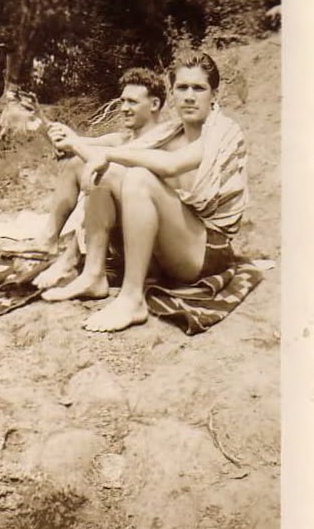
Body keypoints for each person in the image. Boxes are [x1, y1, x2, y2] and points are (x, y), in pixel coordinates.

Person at [36, 55, 248, 332]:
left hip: (207, 252)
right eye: (182, 88)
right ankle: (93, 275)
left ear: (214, 95)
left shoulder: (222, 133)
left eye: (198, 88)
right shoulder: (170, 133)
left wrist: (104, 154)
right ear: (172, 93)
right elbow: (115, 152)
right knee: (108, 173)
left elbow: (171, 164)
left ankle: (132, 298)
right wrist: (73, 142)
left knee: (138, 177)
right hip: (174, 244)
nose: (189, 96)